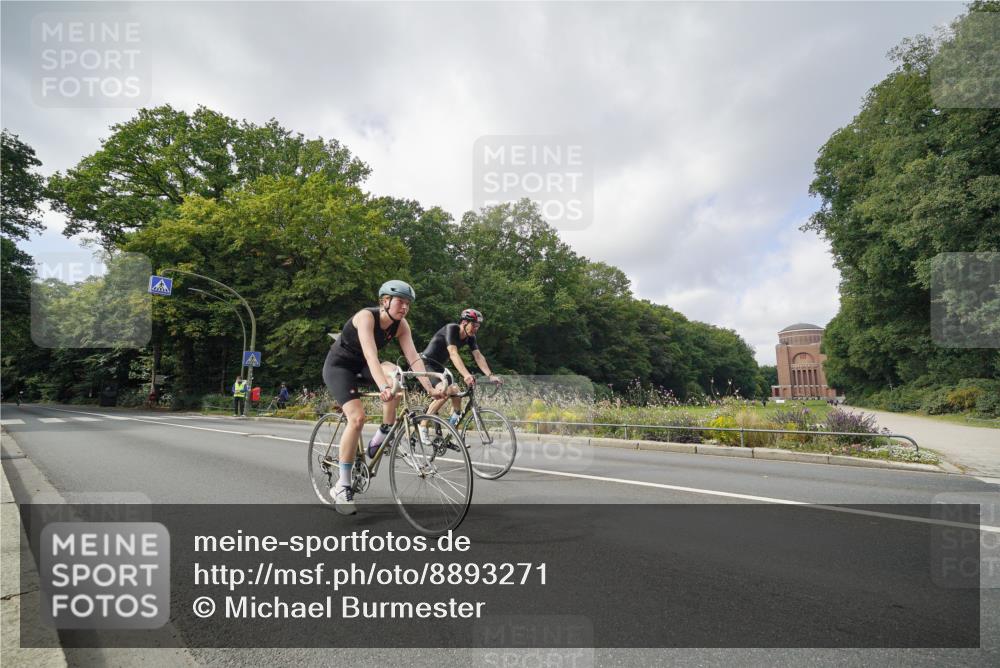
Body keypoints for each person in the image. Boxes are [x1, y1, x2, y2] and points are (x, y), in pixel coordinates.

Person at [322, 280, 445, 515]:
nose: (404, 307)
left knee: (397, 377)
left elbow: (413, 359)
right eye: (400, 301)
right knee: (357, 419)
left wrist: (430, 388)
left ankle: (383, 432)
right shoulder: (366, 317)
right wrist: (382, 387)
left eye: (408, 303)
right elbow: (370, 354)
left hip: (366, 366)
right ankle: (342, 486)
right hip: (340, 367)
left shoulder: (401, 325)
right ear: (385, 301)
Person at [419, 308, 500, 442]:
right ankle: (423, 426)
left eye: (478, 326)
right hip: (426, 364)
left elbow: (478, 356)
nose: (476, 329)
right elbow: (453, 353)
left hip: (439, 367)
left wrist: (490, 375)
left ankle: (451, 428)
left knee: (456, 391)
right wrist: (466, 375)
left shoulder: (470, 337)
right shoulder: (451, 329)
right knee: (446, 391)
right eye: (473, 325)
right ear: (464, 322)